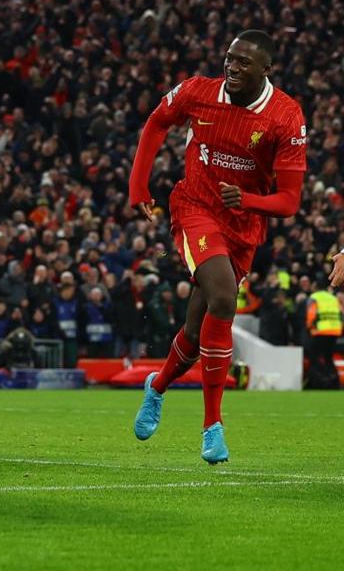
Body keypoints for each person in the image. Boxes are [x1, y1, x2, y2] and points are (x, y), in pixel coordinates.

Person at [130, 30, 306, 464]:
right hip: (195, 207)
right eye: (229, 58)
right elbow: (156, 122)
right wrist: (139, 185)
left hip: (243, 224)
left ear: (266, 69)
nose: (232, 67)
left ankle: (157, 386)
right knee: (225, 298)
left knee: (196, 331)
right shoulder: (198, 91)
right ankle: (213, 426)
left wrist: (246, 200)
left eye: (244, 62)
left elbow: (289, 201)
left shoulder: (286, 116)